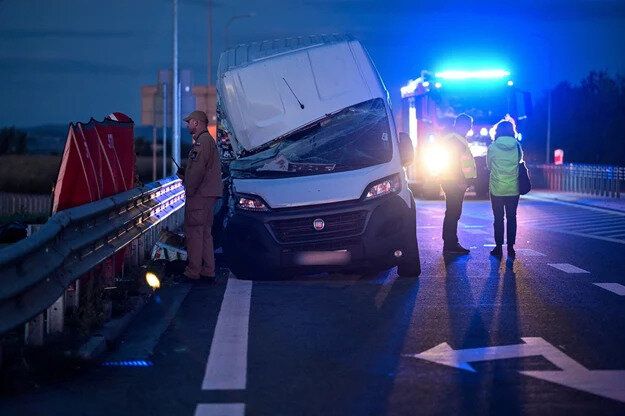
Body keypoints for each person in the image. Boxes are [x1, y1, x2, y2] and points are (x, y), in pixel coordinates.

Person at [178, 110, 223, 282]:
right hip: (209, 195)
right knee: (205, 233)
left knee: (194, 232)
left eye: (189, 122)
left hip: (200, 195)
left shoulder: (201, 143)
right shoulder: (208, 142)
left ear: (196, 123)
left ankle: (193, 271)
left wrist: (188, 188)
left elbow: (197, 171)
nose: (188, 125)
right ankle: (207, 271)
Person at [440, 114, 477, 254]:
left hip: (450, 180)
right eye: (468, 125)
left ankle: (449, 242)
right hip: (454, 181)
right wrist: (461, 180)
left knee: (452, 211)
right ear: (462, 125)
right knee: (453, 212)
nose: (470, 128)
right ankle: (451, 244)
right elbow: (454, 163)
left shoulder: (453, 139)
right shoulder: (455, 141)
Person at [487, 119, 522, 257]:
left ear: (498, 131)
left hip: (496, 188)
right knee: (512, 217)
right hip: (513, 187)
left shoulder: (493, 147)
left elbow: (489, 165)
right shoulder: (517, 146)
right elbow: (519, 161)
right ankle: (511, 248)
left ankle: (498, 247)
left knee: (498, 218)